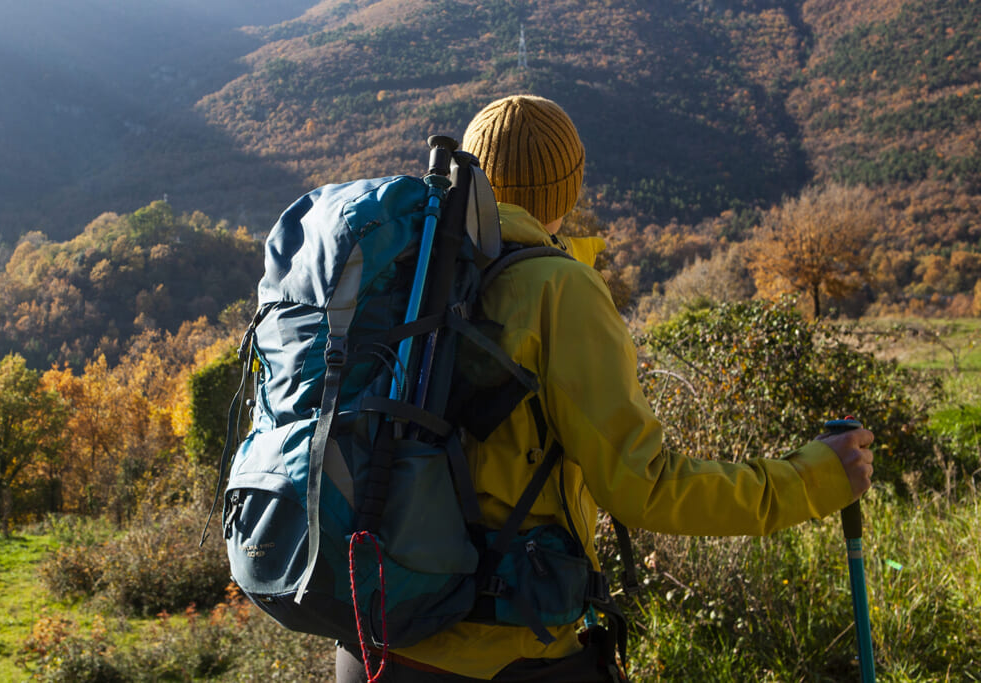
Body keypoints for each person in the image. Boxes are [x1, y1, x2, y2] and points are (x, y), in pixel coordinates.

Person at [335, 94, 875, 682]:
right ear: (568, 191)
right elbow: (646, 489)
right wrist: (814, 479)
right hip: (502, 652)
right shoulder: (558, 289)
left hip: (371, 638)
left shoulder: (406, 268)